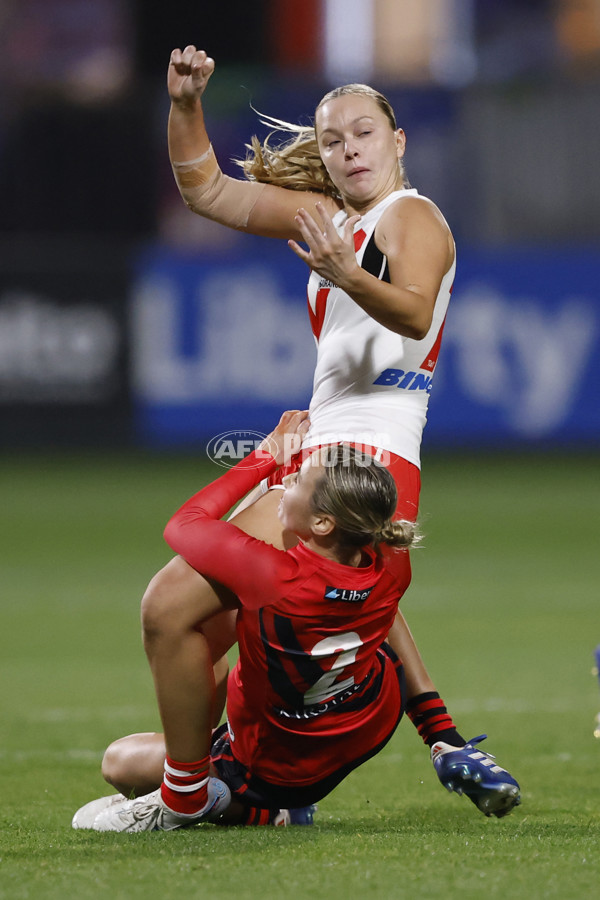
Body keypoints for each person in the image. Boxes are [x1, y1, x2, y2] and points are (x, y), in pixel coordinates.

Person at [76, 45, 520, 826]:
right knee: (207, 632)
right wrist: (184, 105)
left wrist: (348, 275)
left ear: (398, 141)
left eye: (365, 134)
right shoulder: (340, 220)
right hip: (340, 449)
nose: (350, 149)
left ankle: (186, 800)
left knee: (169, 606)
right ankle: (257, 786)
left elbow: (415, 311)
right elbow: (207, 193)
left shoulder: (409, 216)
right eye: (335, 138)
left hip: (364, 452)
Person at [72, 412, 520, 831]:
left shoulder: (270, 573)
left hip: (275, 762)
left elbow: (184, 524)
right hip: (365, 723)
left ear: (324, 522)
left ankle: (242, 806)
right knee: (367, 633)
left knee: (120, 762)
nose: (285, 481)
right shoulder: (391, 563)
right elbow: (387, 625)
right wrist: (439, 730)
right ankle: (441, 739)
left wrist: (266, 454)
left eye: (299, 480)